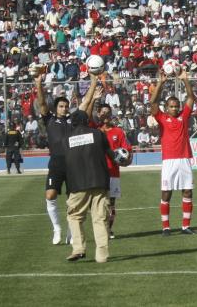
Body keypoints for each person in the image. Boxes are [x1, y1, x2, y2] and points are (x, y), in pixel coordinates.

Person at [36, 71, 100, 245]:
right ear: (56, 108)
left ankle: (72, 232)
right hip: (56, 163)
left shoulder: (74, 119)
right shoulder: (49, 120)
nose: (64, 109)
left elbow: (86, 102)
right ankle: (57, 228)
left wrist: (94, 81)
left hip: (74, 164)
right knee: (50, 195)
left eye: (66, 106)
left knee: (75, 200)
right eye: (61, 106)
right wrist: (38, 84)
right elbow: (41, 102)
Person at [150, 69, 196, 236]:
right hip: (169, 161)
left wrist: (185, 80)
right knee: (166, 193)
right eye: (171, 106)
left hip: (184, 159)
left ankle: (185, 226)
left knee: (188, 191)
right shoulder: (162, 118)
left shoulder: (184, 116)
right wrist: (160, 84)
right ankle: (166, 228)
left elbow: (191, 98)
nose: (175, 108)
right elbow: (153, 104)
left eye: (177, 106)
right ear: (167, 108)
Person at [63, 110, 114, 263]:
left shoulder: (66, 139)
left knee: (74, 216)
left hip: (77, 184)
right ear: (87, 121)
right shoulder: (98, 134)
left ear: (72, 122)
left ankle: (78, 248)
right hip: (99, 181)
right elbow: (112, 154)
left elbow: (63, 162)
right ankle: (102, 256)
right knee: (100, 218)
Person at [90, 103, 132, 238]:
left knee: (111, 204)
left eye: (108, 112)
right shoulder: (94, 130)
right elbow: (87, 115)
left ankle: (108, 229)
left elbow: (127, 152)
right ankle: (100, 229)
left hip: (113, 173)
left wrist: (127, 161)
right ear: (98, 114)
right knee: (98, 203)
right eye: (103, 112)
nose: (106, 115)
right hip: (97, 172)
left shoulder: (118, 132)